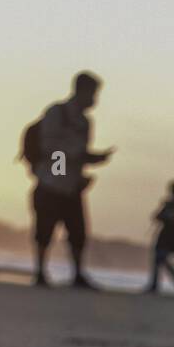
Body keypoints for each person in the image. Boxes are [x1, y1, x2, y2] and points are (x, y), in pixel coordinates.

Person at [29, 71, 115, 288]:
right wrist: (69, 163)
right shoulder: (56, 113)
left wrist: (87, 164)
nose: (95, 99)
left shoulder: (85, 122)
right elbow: (50, 148)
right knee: (45, 231)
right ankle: (40, 272)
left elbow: (77, 154)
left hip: (71, 187)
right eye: (93, 94)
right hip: (51, 185)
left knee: (78, 232)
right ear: (82, 91)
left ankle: (77, 274)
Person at [147, 181, 174, 294]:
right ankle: (156, 284)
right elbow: (156, 216)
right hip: (163, 234)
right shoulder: (167, 204)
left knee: (161, 260)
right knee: (159, 260)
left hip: (170, 236)